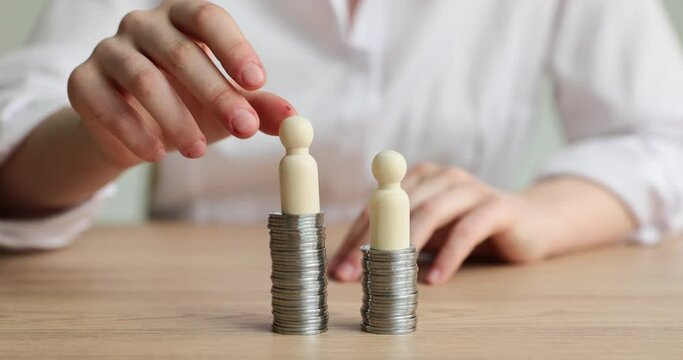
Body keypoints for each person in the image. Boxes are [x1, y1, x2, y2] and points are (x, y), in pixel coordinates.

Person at [1, 0, 682, 285]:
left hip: (458, 303)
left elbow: (665, 135)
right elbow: (14, 125)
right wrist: (108, 135)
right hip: (196, 311)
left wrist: (545, 212)